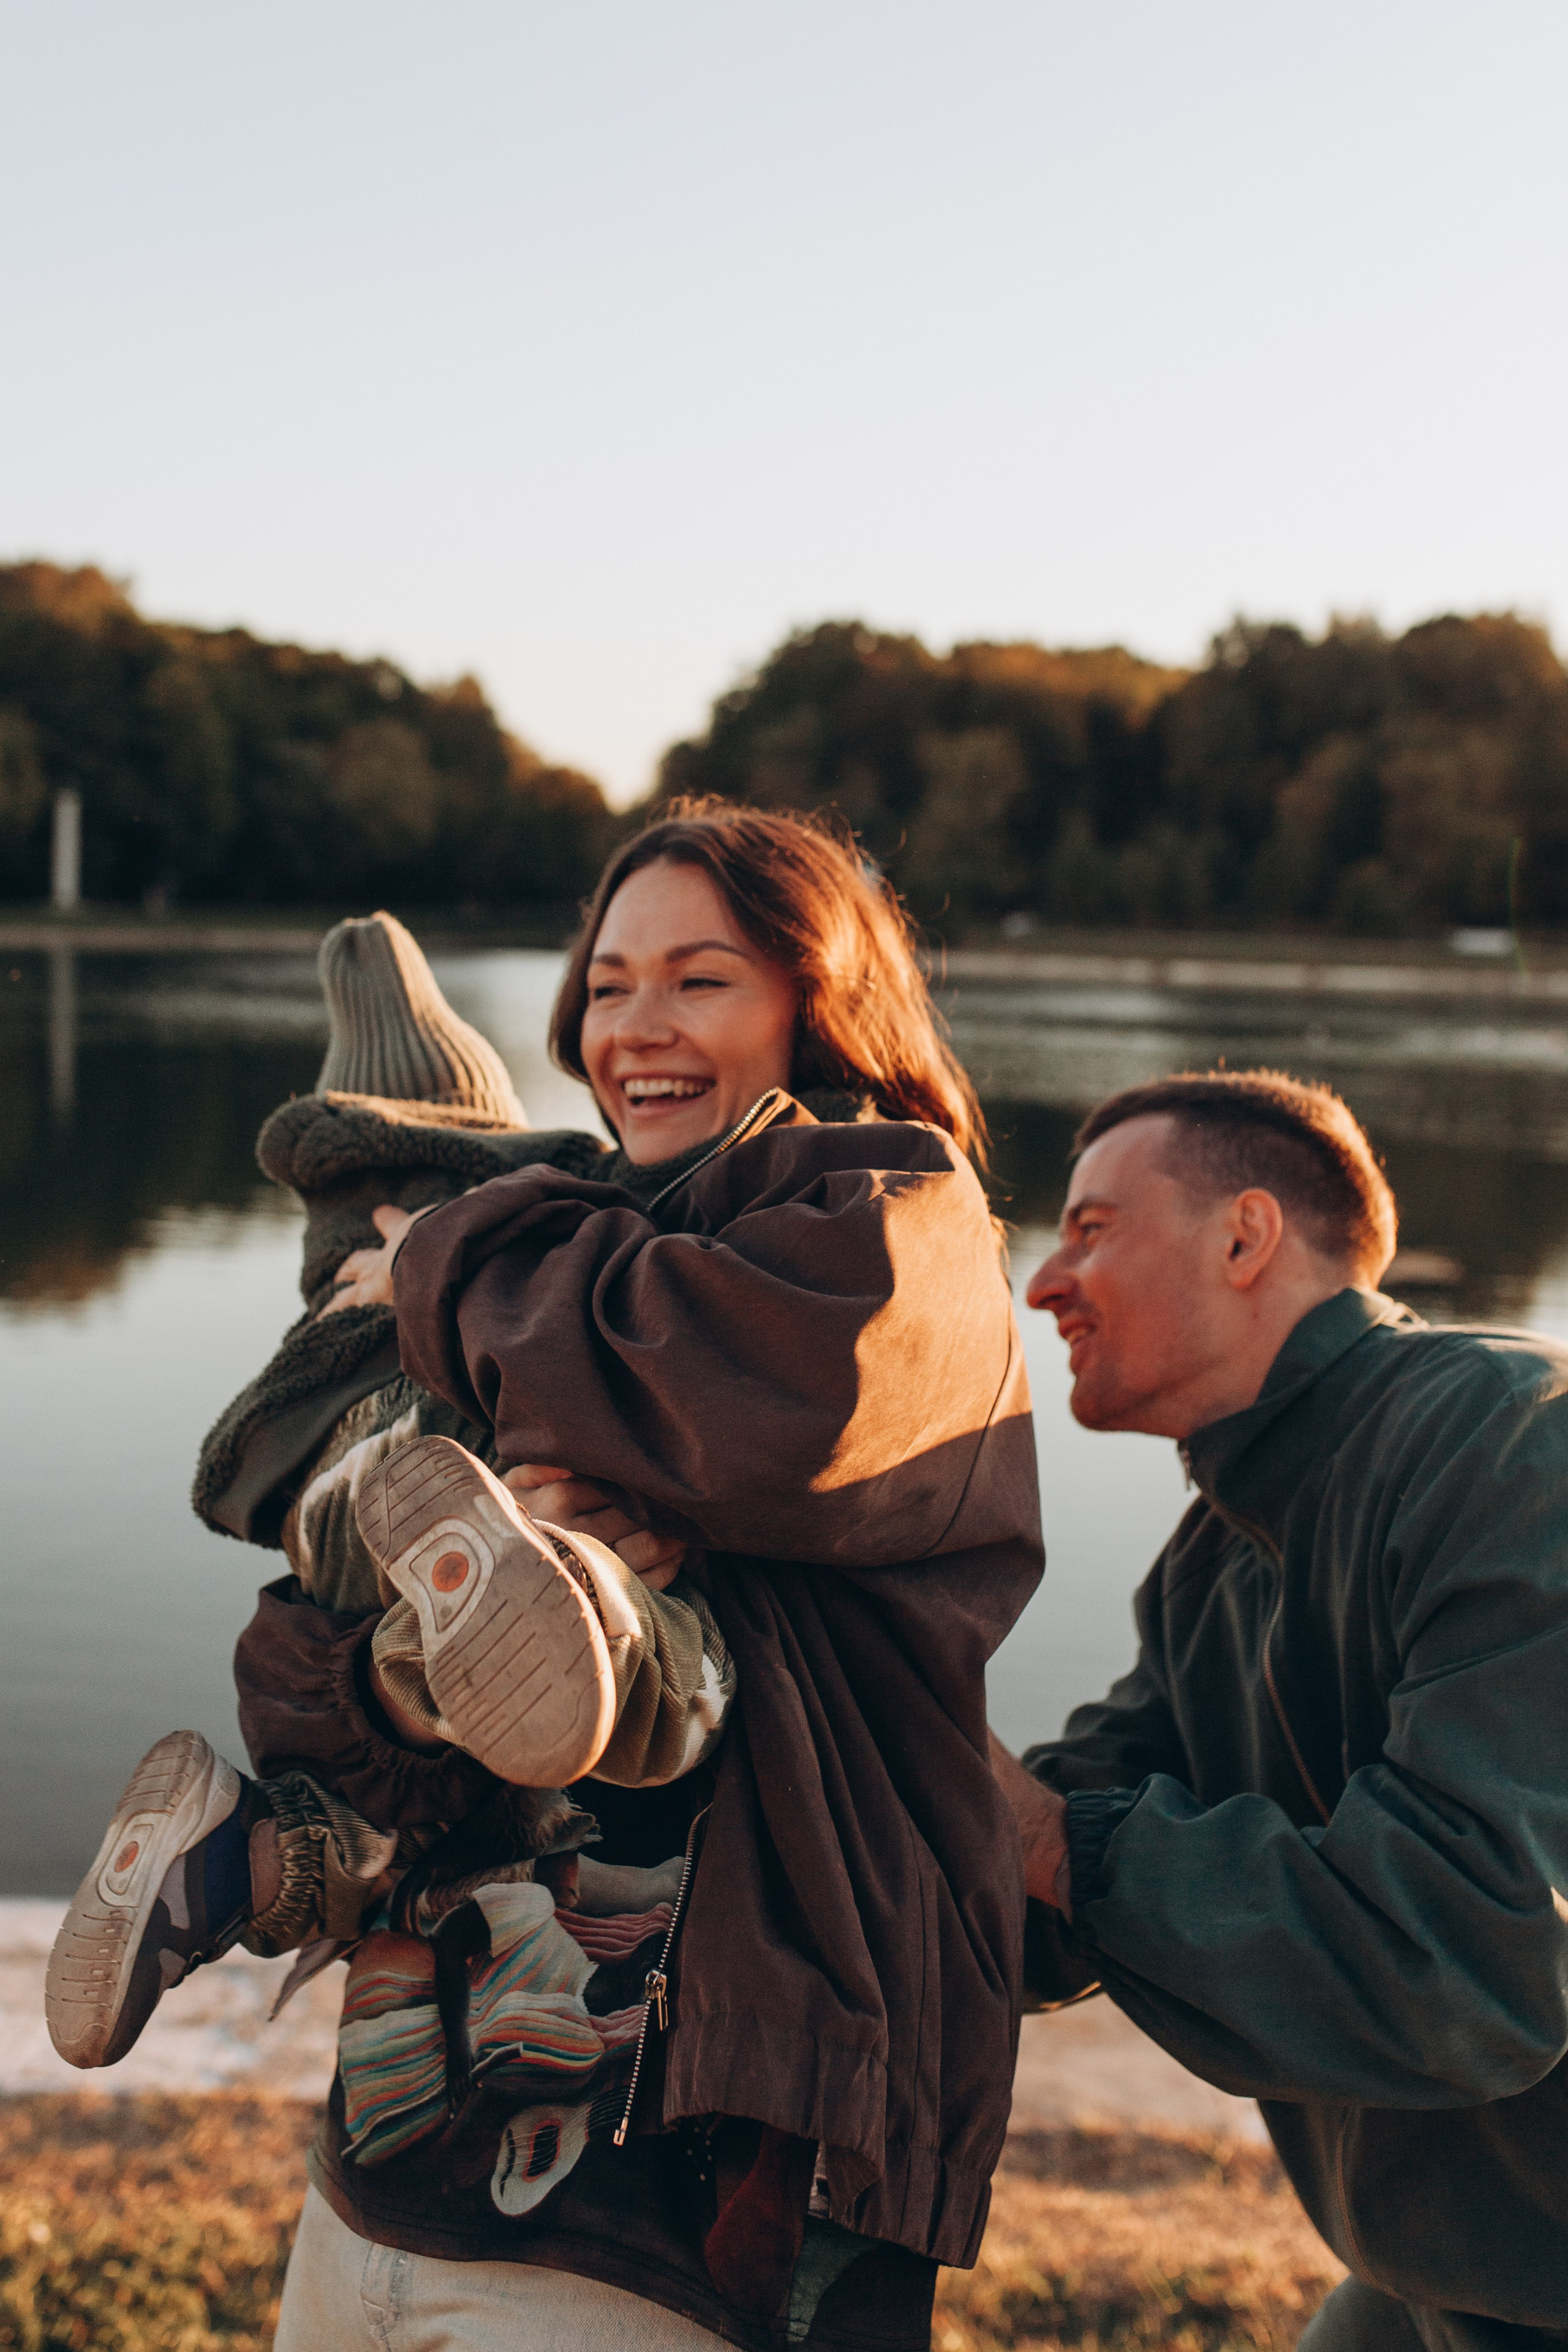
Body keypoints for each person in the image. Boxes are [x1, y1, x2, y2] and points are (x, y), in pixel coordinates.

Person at [87, 801, 1041, 2352]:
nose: (635, 1029)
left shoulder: (896, 1228)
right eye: (606, 986)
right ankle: (285, 1828)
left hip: (688, 2202)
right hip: (404, 2154)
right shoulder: (568, 1250)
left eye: (700, 980)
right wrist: (403, 1673)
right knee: (405, 1602)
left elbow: (738, 1386)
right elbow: (294, 1674)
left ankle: (545, 1650)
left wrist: (436, 1262)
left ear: (819, 996)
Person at [47, 911, 734, 2069]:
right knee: (668, 1654)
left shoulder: (320, 1346)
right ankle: (568, 1603)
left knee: (348, 1813)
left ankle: (226, 1863)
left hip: (351, 1530)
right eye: (611, 988)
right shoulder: (513, 1259)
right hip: (479, 1488)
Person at [992, 1068, 1568, 2352]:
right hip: (1432, 2279)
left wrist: (1045, 1844)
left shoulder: (1510, 1438)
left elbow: (1471, 1952)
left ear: (1245, 1236)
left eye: (1089, 1228)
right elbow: (1037, 1879)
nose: (1041, 1283)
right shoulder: (1208, 1569)